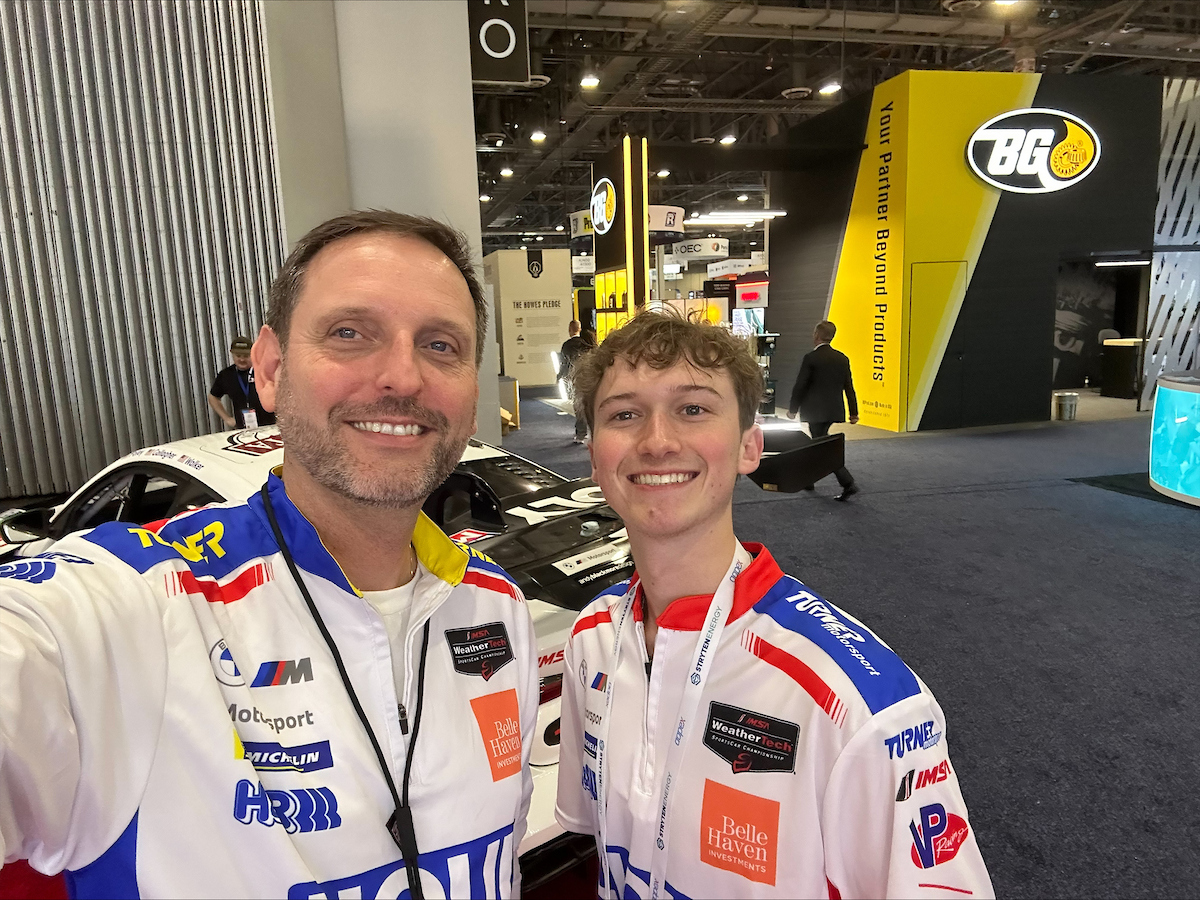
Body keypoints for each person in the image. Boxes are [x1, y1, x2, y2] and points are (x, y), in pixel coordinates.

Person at [0, 211, 537, 899]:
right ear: (271, 369)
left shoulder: (497, 605)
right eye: (350, 333)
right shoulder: (140, 610)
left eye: (440, 345)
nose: (403, 376)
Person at [555, 312, 992, 899]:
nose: (657, 441)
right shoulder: (592, 637)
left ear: (748, 448)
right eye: (624, 414)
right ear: (594, 458)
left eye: (693, 409)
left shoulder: (861, 707)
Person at [787, 320, 859, 500]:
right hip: (833, 410)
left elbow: (800, 385)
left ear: (816, 336)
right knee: (818, 443)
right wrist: (853, 411)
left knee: (821, 447)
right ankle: (809, 480)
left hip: (814, 411)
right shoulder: (842, 358)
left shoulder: (811, 358)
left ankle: (847, 482)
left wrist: (793, 409)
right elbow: (849, 386)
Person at [208, 335, 276, 429]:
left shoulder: (264, 371)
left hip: (270, 427)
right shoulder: (226, 375)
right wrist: (227, 418)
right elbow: (213, 397)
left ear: (253, 353)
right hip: (242, 430)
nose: (242, 359)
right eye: (238, 356)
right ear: (232, 355)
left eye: (246, 356)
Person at [558, 319, 591, 444]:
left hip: (574, 377)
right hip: (587, 376)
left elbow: (564, 363)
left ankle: (581, 434)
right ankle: (592, 432)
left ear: (570, 330)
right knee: (588, 404)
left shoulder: (567, 345)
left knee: (578, 405)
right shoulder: (586, 344)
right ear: (580, 329)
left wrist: (560, 375)